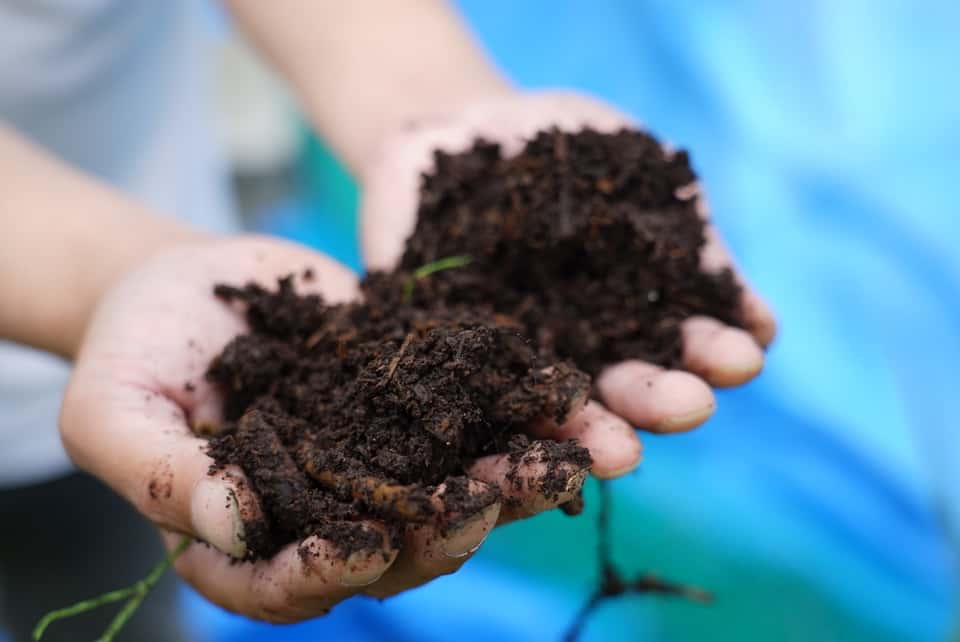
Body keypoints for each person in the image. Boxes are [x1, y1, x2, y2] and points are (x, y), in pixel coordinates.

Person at [0, 1, 774, 640]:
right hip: (103, 340)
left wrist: (430, 100)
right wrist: (106, 278)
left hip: (120, 413)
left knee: (83, 574)